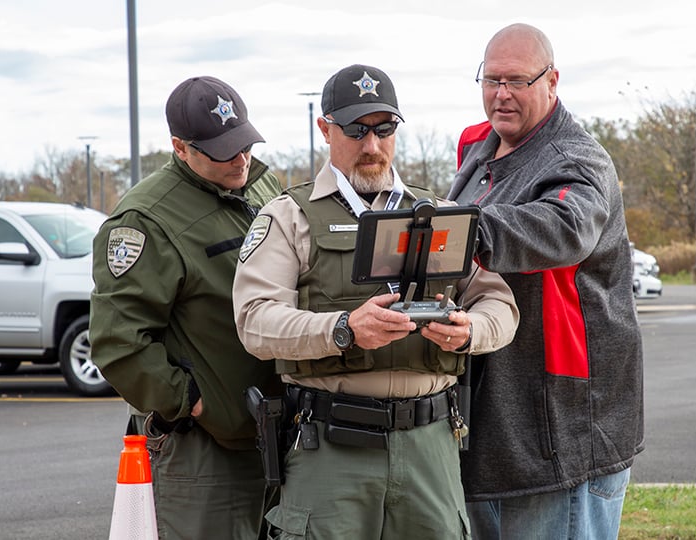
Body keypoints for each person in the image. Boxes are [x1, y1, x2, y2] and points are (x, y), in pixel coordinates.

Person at [232, 64, 519, 539]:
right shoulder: (288, 216)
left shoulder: (441, 214)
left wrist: (472, 331)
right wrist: (342, 329)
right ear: (325, 130)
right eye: (355, 130)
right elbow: (255, 321)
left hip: (431, 446)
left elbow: (500, 305)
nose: (372, 146)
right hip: (330, 447)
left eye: (384, 129)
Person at [447, 23, 645, 539]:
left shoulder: (577, 161)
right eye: (491, 80)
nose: (501, 94)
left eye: (516, 81)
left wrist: (461, 231)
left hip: (562, 436)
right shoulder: (478, 151)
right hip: (492, 436)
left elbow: (566, 227)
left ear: (553, 81)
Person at [90, 76, 283, 540]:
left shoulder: (261, 186)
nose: (240, 159)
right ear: (180, 147)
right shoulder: (146, 220)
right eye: (221, 151)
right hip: (204, 451)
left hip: (276, 434)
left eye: (244, 143)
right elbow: (118, 342)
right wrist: (192, 402)